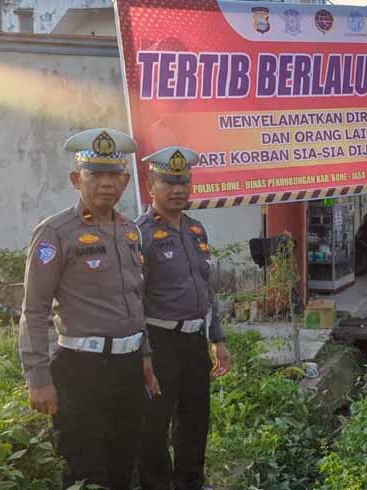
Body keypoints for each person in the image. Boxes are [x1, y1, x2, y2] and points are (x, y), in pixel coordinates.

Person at [19, 128, 159, 489]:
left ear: (125, 181)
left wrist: (144, 356)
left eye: (114, 174)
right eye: (95, 173)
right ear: (75, 179)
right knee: (85, 469)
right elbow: (34, 309)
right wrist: (38, 377)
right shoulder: (55, 233)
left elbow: (135, 299)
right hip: (81, 369)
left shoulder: (129, 232)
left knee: (124, 464)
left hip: (128, 367)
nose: (106, 183)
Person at [136, 146, 231, 490]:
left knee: (195, 417)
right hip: (159, 340)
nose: (178, 189)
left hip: (194, 339)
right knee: (155, 421)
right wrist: (144, 352)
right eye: (168, 182)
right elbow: (133, 299)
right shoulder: (140, 234)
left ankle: (190, 482)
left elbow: (206, 290)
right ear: (151, 186)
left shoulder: (196, 230)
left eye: (183, 182)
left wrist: (217, 338)